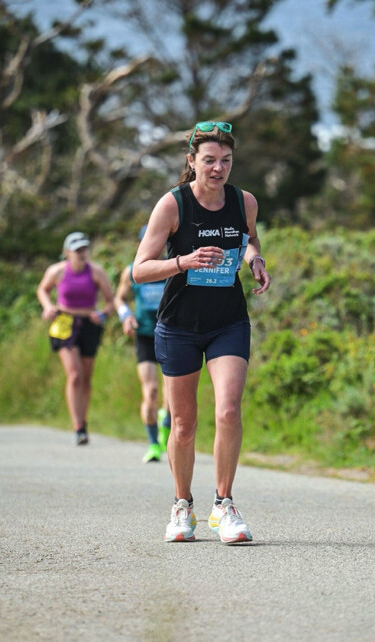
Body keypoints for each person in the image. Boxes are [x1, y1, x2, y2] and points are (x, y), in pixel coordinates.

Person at [133, 120, 271, 543]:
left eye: (226, 160)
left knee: (228, 410)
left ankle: (224, 505)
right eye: (209, 160)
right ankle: (182, 506)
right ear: (191, 161)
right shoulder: (172, 205)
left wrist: (254, 259)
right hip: (179, 326)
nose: (218, 169)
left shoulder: (244, 201)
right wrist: (184, 262)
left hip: (228, 321)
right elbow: (139, 270)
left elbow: (249, 239)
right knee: (183, 424)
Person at [37, 232, 114, 446]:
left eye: (84, 249)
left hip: (89, 324)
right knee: (74, 375)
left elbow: (110, 300)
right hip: (65, 322)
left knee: (86, 377)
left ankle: (83, 421)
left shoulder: (96, 272)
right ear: (67, 252)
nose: (81, 253)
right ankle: (78, 426)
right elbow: (42, 290)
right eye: (77, 250)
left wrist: (103, 314)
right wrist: (48, 307)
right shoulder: (57, 271)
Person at [114, 226, 171, 464]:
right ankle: (153, 444)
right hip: (145, 335)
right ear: (140, 244)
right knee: (151, 391)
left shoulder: (172, 266)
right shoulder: (131, 271)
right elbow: (119, 298)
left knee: (171, 395)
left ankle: (166, 426)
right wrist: (126, 316)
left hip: (170, 334)